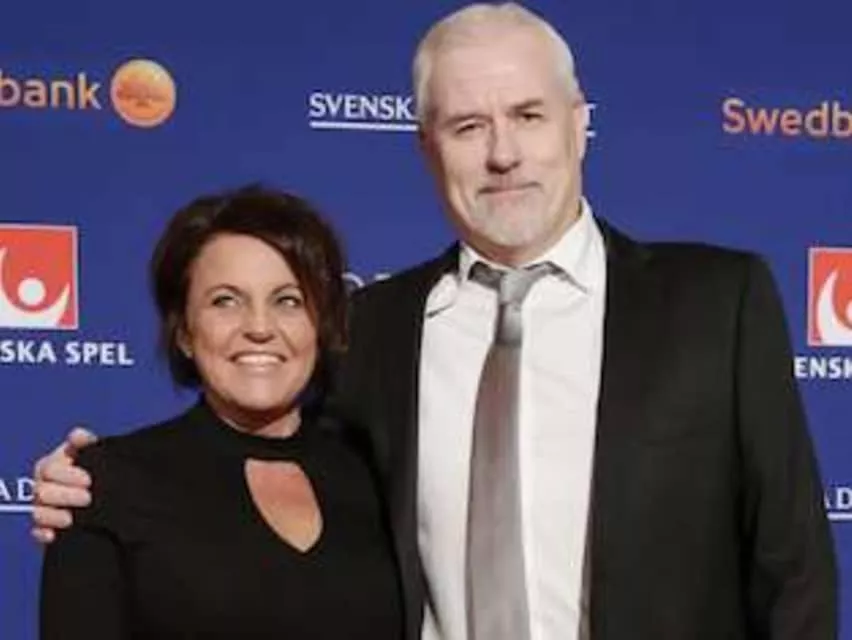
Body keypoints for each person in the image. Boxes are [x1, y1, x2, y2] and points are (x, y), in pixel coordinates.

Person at [32, 3, 837, 640]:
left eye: (528, 115)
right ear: (426, 147)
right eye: (467, 126)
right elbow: (257, 461)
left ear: (580, 123)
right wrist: (86, 484)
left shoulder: (717, 302)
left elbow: (793, 567)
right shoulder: (371, 328)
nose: (502, 154)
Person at [38, 185, 402, 639]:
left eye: (288, 301)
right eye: (225, 301)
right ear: (184, 332)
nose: (259, 328)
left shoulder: (377, 477)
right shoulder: (104, 485)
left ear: (321, 324)